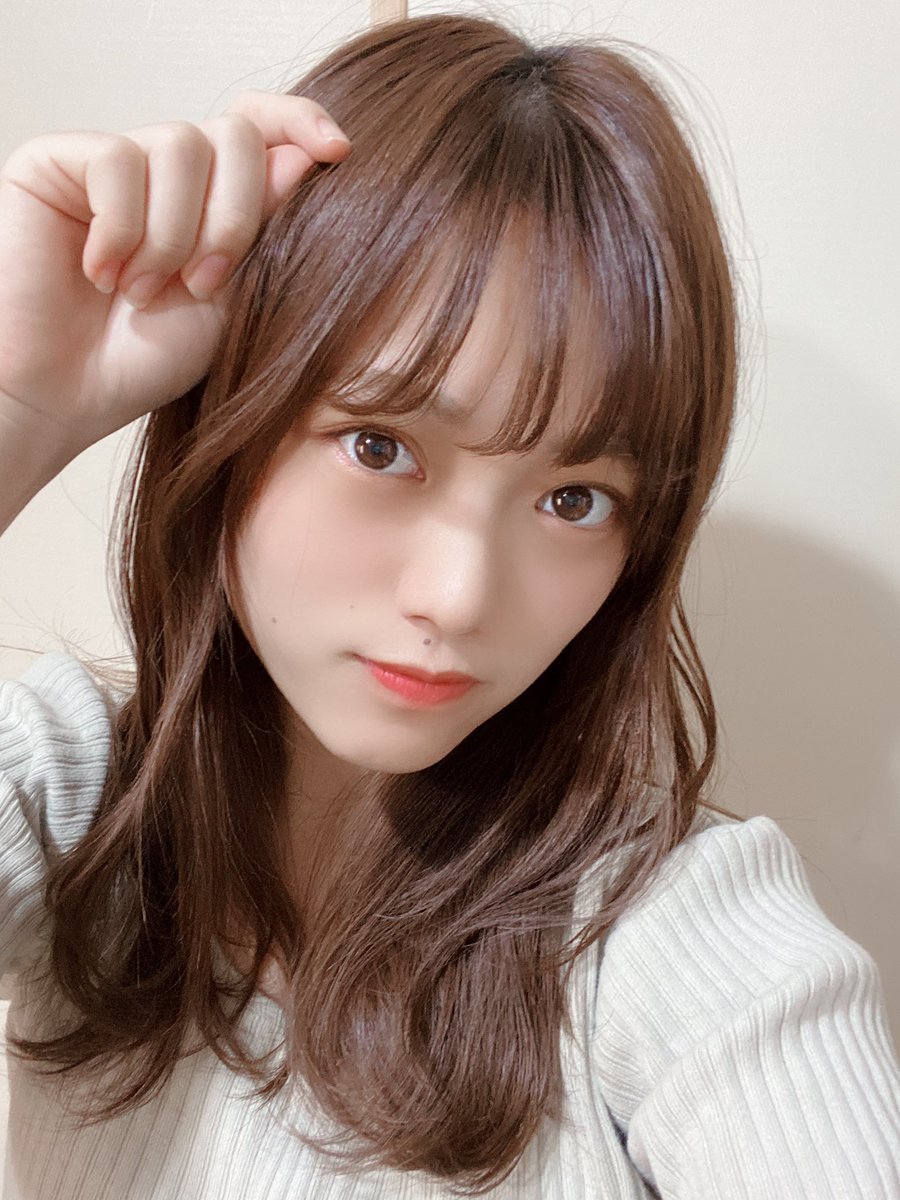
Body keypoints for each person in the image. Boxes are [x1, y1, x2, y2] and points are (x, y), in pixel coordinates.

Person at [0, 12, 897, 1199]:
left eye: (575, 499)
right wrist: (16, 407)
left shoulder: (676, 935)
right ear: (231, 414)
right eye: (381, 446)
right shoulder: (68, 799)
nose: (460, 596)